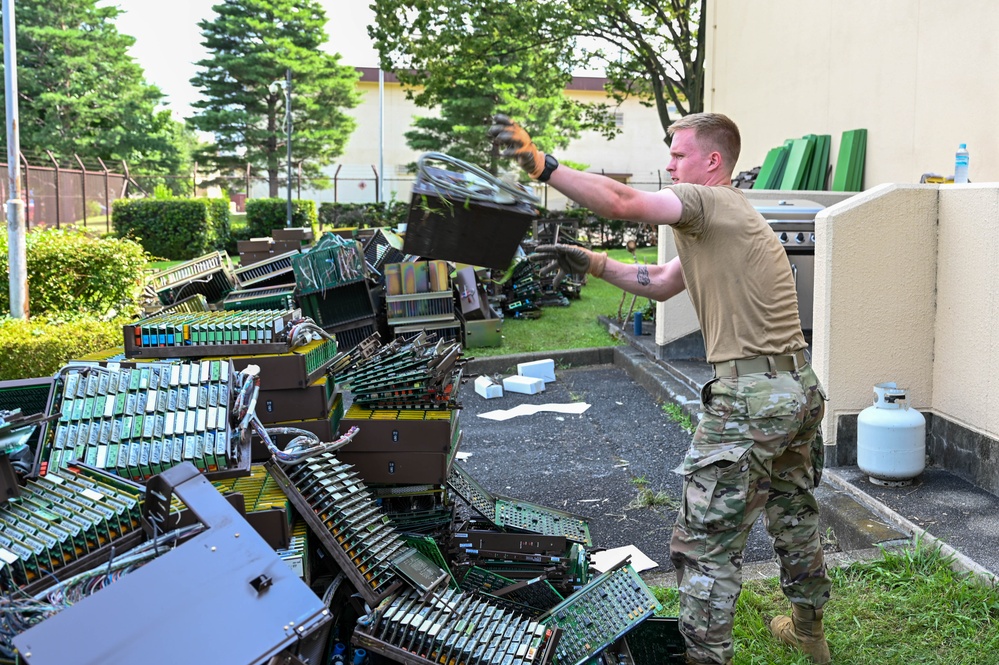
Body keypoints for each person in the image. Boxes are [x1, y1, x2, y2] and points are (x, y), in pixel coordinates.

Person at [488, 113, 832, 665]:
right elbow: (664, 284)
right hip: (796, 391)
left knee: (705, 548)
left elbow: (623, 203)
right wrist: (593, 262)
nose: (669, 165)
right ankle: (809, 636)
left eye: (678, 155)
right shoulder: (729, 215)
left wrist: (541, 164)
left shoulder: (703, 200)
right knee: (794, 518)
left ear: (712, 162)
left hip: (750, 403)